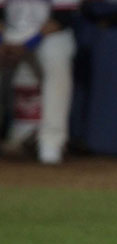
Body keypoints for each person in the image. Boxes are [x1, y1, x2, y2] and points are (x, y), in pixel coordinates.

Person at [0, 0, 79, 164]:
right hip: (9, 32)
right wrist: (2, 42)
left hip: (49, 34)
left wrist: (28, 44)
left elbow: (62, 18)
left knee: (57, 60)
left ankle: (51, 144)